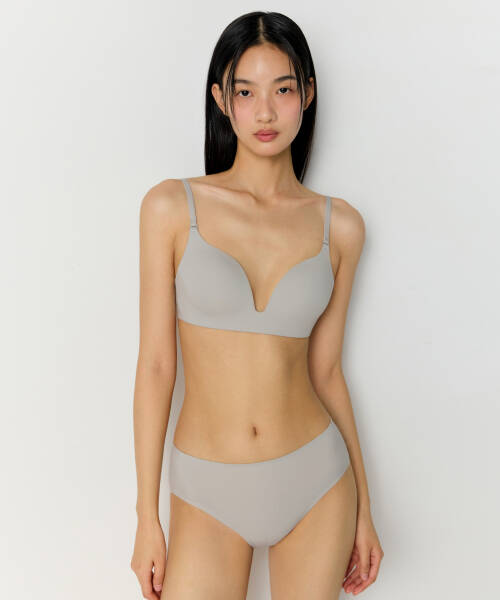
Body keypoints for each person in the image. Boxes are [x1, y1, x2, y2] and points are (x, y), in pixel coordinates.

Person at [131, 11, 383, 600]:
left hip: (317, 481)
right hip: (206, 488)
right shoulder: (171, 208)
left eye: (283, 90)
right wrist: (146, 517)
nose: (265, 112)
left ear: (307, 94)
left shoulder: (340, 227)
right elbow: (157, 367)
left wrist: (365, 509)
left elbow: (327, 371)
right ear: (222, 99)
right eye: (245, 92)